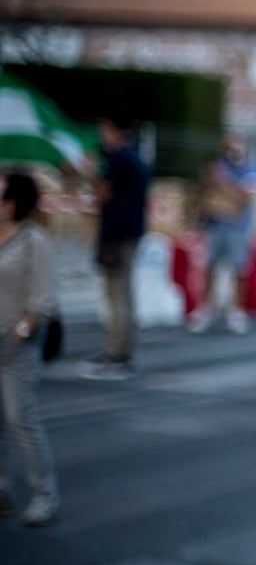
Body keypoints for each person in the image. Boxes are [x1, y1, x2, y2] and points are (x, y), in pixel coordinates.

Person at [0, 173, 61, 526]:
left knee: (21, 420)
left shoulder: (33, 241)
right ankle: (2, 491)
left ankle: (45, 495)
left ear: (12, 204)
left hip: (15, 346)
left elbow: (44, 300)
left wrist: (20, 333)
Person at [81, 117, 148, 382]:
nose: (102, 136)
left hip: (117, 233)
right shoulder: (136, 158)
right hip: (130, 232)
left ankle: (115, 353)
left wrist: (89, 173)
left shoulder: (119, 159)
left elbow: (103, 193)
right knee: (124, 293)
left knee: (116, 293)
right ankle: (122, 351)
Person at [189, 133, 256, 335]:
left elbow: (245, 196)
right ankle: (206, 308)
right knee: (210, 266)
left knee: (239, 270)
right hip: (216, 226)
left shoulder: (250, 167)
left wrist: (223, 181)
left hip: (239, 228)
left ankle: (236, 311)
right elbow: (205, 193)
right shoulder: (217, 164)